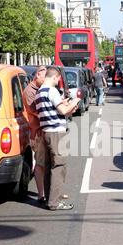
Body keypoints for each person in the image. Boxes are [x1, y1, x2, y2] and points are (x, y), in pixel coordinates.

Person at [34, 67, 80, 211]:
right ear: (55, 77)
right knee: (59, 166)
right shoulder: (51, 91)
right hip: (56, 133)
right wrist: (74, 102)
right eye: (58, 80)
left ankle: (49, 197)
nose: (58, 82)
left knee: (49, 166)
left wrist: (66, 105)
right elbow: (63, 111)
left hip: (46, 131)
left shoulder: (39, 92)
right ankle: (55, 202)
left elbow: (54, 111)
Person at [23, 65, 48, 204]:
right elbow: (34, 111)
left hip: (42, 130)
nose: (45, 81)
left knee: (46, 163)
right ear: (37, 75)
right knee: (40, 164)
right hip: (37, 132)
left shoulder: (39, 89)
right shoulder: (29, 91)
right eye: (44, 78)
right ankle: (41, 194)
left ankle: (49, 191)